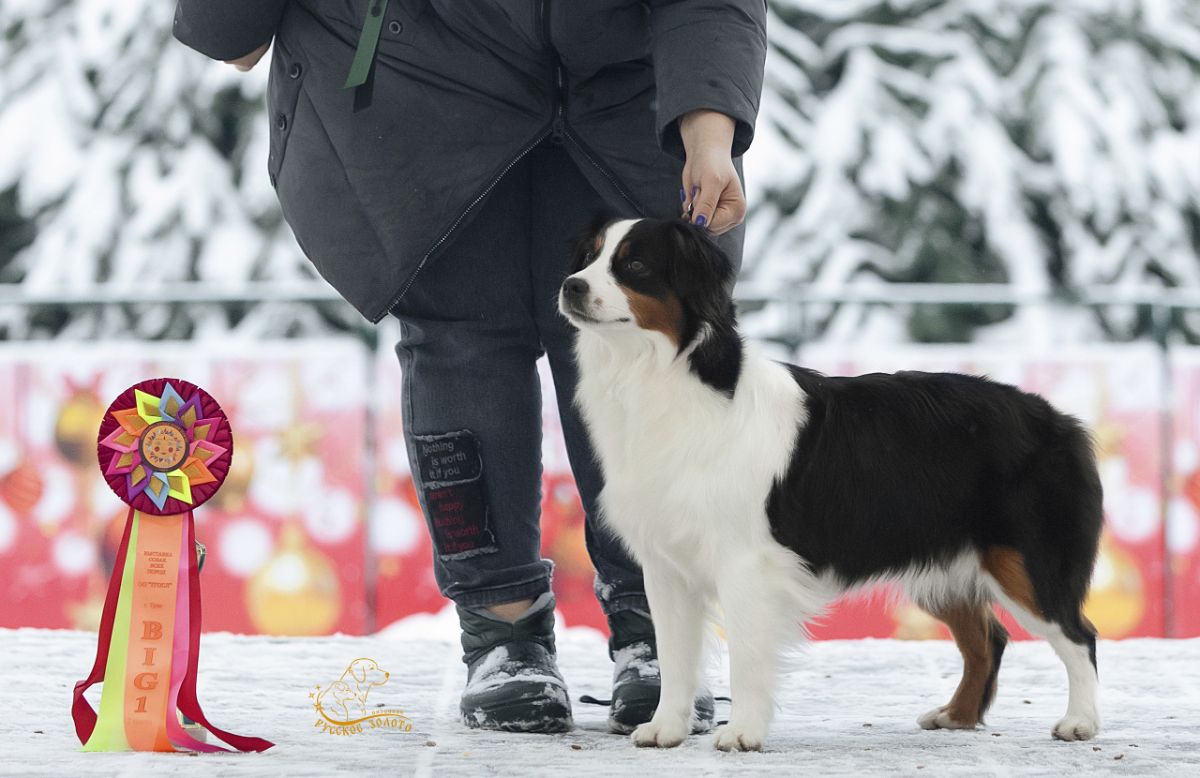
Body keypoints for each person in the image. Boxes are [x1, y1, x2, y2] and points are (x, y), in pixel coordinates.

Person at [174, 0, 766, 735]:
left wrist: (710, 130)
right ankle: (503, 632)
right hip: (419, 88)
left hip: (623, 99)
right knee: (461, 345)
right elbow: (232, 43)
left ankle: (658, 626)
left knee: (638, 351)